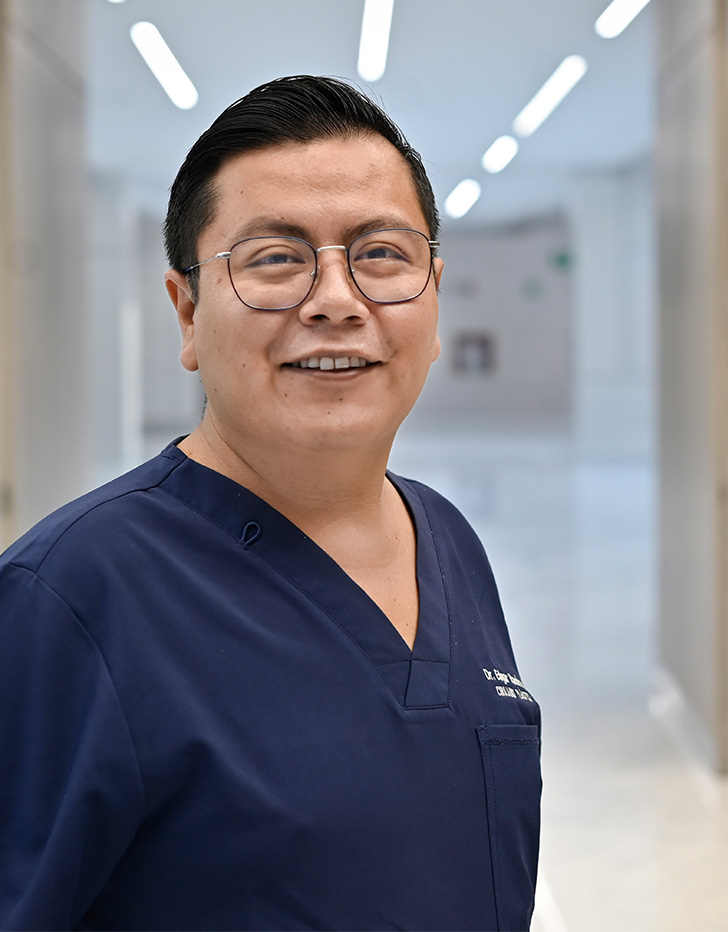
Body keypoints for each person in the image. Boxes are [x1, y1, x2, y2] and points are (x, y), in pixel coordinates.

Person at [0, 75, 541, 932]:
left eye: (382, 254)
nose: (335, 300)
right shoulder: (69, 598)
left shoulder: (450, 541)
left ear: (433, 298)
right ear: (186, 311)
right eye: (276, 258)